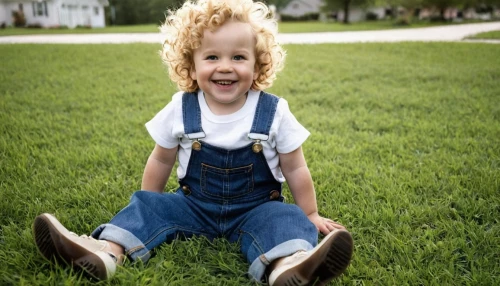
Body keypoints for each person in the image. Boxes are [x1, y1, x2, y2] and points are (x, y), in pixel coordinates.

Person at [32, 0, 353, 284]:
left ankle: (287, 265)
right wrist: (152, 201)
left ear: (258, 63)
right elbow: (161, 160)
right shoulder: (181, 108)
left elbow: (295, 167)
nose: (225, 66)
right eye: (212, 56)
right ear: (192, 63)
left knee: (285, 218)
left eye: (238, 57)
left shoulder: (273, 111)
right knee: (145, 207)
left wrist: (309, 213)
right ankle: (107, 252)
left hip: (256, 209)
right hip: (193, 207)